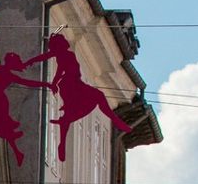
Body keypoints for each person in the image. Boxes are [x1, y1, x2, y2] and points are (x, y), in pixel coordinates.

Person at [24, 32, 131, 162]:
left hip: (76, 83)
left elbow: (53, 65)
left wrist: (50, 79)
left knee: (93, 99)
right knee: (92, 99)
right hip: (70, 84)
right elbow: (56, 67)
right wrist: (31, 63)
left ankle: (64, 135)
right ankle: (64, 139)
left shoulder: (66, 54)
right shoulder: (64, 54)